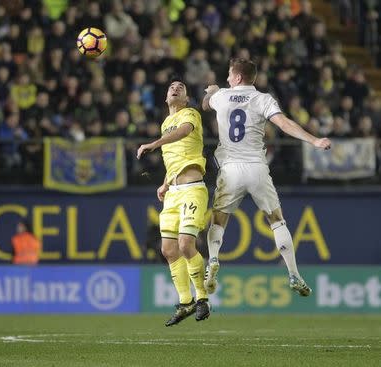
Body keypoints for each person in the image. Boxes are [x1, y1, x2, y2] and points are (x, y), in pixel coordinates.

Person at [202, 58, 331, 297]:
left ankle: (212, 260)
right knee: (276, 220)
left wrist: (212, 92)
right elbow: (284, 124)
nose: (228, 78)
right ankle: (293, 273)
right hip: (257, 168)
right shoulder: (263, 99)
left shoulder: (221, 96)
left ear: (238, 77)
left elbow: (205, 105)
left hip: (230, 169)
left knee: (218, 220)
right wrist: (314, 140)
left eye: (230, 75)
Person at [137, 78, 210, 326]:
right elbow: (173, 159)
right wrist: (166, 183)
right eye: (171, 88)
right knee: (168, 249)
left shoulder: (190, 114)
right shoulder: (166, 123)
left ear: (186, 98)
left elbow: (183, 134)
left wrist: (154, 144)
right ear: (166, 98)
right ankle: (185, 301)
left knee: (186, 244)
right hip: (173, 192)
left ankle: (202, 298)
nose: (175, 88)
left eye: (180, 87)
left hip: (192, 189)